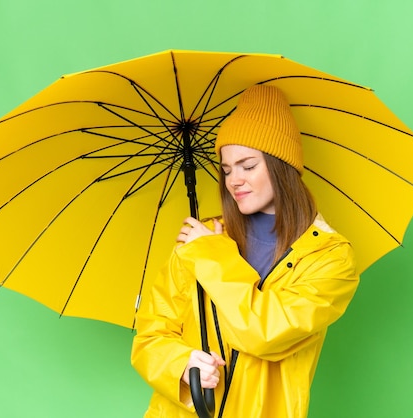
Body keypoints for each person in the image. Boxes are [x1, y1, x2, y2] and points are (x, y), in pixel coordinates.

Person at [131, 84, 359, 417]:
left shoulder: (329, 258)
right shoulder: (202, 236)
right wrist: (180, 364)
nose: (234, 180)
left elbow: (265, 334)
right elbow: (150, 336)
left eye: (248, 166)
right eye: (226, 169)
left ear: (282, 167)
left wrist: (213, 257)